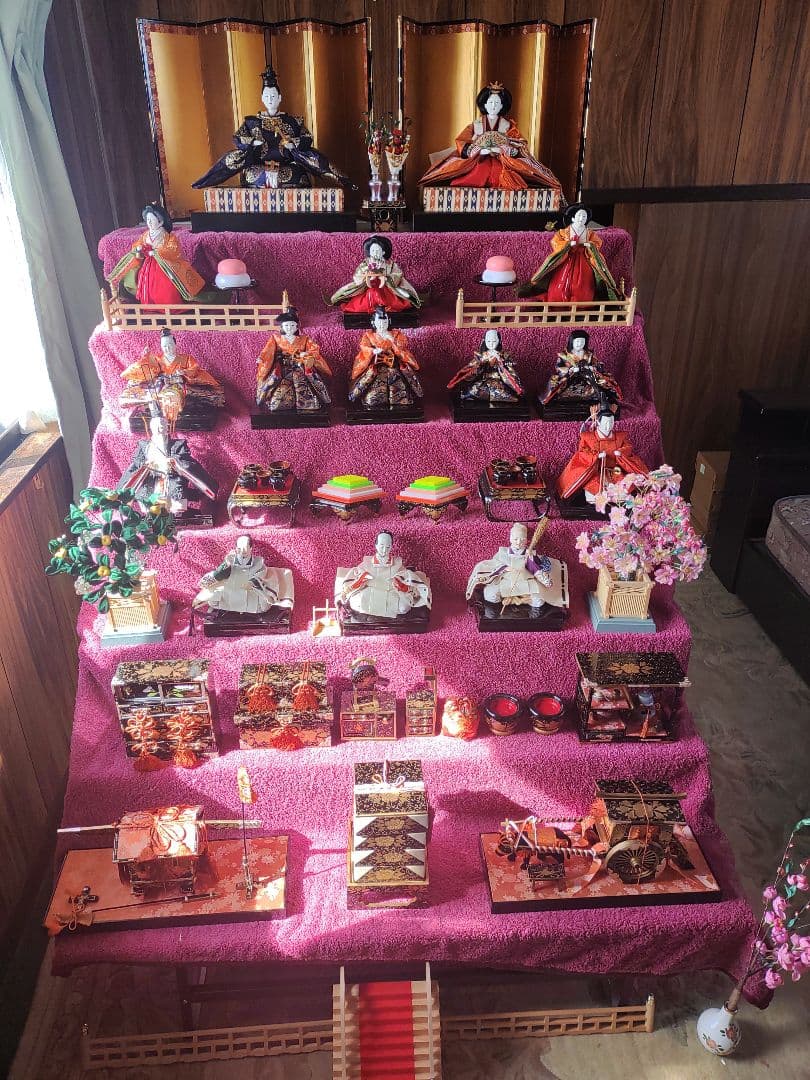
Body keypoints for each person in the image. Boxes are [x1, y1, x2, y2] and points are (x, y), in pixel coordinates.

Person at [192, 66, 352, 190]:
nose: (270, 100)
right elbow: (238, 138)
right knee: (247, 169)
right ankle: (205, 181)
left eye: (273, 96)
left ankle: (343, 181)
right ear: (262, 98)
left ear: (280, 97)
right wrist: (252, 142)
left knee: (301, 170)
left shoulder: (293, 121)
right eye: (267, 96)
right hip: (258, 167)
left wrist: (293, 144)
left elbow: (307, 138)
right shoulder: (252, 122)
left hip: (288, 167)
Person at [418, 81, 562, 192]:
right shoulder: (476, 125)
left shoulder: (508, 126)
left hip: (502, 161)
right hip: (479, 160)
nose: (493, 106)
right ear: (484, 104)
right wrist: (479, 150)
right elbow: (461, 141)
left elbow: (519, 144)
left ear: (502, 106)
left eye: (497, 103)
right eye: (490, 102)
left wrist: (503, 149)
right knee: (475, 175)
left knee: (504, 176)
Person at [119, 406, 217, 514]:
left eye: (162, 425)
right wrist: (147, 465)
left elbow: (186, 461)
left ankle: (175, 512)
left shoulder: (178, 445)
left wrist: (173, 462)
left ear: (167, 427)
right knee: (147, 502)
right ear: (152, 427)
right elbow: (136, 463)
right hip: (151, 479)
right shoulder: (144, 446)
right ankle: (152, 512)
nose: (160, 428)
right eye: (157, 426)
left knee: (177, 502)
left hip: (171, 478)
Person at [107, 204, 207, 304]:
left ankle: (169, 306)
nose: (149, 222)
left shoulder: (167, 236)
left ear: (160, 221)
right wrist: (139, 248)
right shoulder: (145, 235)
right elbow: (138, 244)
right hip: (147, 266)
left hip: (163, 266)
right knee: (145, 284)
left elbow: (173, 249)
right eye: (147, 220)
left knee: (166, 286)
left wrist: (157, 252)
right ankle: (150, 305)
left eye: (152, 219)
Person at [120, 329, 224, 424]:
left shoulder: (186, 358)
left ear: (175, 344)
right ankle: (159, 416)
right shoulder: (157, 359)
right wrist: (146, 356)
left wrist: (184, 372)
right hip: (161, 385)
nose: (167, 348)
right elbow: (148, 367)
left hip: (178, 385)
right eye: (164, 346)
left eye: (170, 345)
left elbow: (194, 368)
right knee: (153, 397)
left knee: (178, 398)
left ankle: (174, 418)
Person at [557, 398, 649, 504]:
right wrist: (596, 456)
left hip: (615, 469)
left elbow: (628, 447)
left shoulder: (620, 437)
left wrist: (621, 453)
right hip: (596, 470)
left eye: (611, 422)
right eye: (605, 423)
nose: (608, 426)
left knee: (623, 487)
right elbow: (583, 452)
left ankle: (617, 498)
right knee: (594, 488)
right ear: (599, 422)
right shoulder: (588, 437)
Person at [523, 204, 622, 302]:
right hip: (567, 258)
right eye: (579, 215)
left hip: (584, 259)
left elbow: (597, 243)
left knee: (585, 283)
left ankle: (583, 302)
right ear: (573, 217)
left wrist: (589, 245)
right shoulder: (563, 232)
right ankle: (559, 299)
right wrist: (568, 244)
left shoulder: (590, 233)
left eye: (584, 216)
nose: (581, 218)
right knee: (561, 281)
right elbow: (555, 241)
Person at [466, 522, 566, 610]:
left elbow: (536, 570)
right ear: (510, 538)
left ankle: (518, 600)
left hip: (525, 583)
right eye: (515, 539)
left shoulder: (529, 554)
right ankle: (512, 599)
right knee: (489, 595)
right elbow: (493, 564)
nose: (518, 542)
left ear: (526, 540)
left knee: (539, 601)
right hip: (506, 582)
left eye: (522, 539)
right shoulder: (503, 553)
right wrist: (504, 568)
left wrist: (545, 580)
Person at [336, 530, 431, 621]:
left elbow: (405, 576)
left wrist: (398, 581)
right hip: (370, 592)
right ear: (376, 545)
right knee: (355, 602)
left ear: (391, 546)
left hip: (390, 593)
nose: (384, 550)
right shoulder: (367, 562)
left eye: (388, 547)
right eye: (381, 546)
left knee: (404, 607)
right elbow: (356, 574)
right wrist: (363, 577)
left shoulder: (397, 563)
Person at [193, 535, 294, 616]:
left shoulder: (259, 562)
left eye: (245, 548)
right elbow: (218, 575)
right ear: (236, 548)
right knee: (213, 599)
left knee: (264, 605)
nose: (243, 551)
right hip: (230, 593)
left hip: (251, 594)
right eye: (240, 548)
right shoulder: (230, 560)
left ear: (251, 548)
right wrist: (226, 565)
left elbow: (262, 575)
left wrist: (252, 583)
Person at [256, 309, 332, 413]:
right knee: (278, 390)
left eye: (292, 325)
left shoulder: (304, 338)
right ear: (281, 327)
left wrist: (306, 354)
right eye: (286, 325)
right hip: (284, 368)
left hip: (299, 367)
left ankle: (308, 404)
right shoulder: (276, 338)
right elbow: (268, 350)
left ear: (297, 327)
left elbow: (314, 349)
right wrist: (262, 358)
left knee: (306, 384)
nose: (289, 328)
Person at [349, 307, 423, 412]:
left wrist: (393, 344)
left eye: (384, 322)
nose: (382, 325)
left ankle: (398, 400)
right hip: (377, 366)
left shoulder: (396, 334)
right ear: (373, 322)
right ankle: (376, 400)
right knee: (373, 393)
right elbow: (364, 346)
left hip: (394, 365)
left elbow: (402, 347)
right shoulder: (369, 335)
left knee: (399, 386)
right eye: (379, 322)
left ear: (388, 321)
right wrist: (373, 351)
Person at [329, 235, 421, 314]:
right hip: (368, 288)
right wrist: (367, 277)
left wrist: (387, 278)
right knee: (371, 294)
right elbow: (357, 275)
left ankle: (385, 308)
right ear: (369, 252)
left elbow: (398, 274)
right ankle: (371, 308)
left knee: (388, 298)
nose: (375, 253)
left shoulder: (390, 264)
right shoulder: (365, 264)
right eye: (373, 251)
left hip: (386, 288)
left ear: (383, 252)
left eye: (377, 251)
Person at [541, 330, 621, 408]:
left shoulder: (589, 354)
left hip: (588, 376)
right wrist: (571, 369)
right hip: (570, 376)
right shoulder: (564, 355)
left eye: (582, 342)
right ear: (572, 342)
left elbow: (598, 364)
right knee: (555, 384)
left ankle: (602, 396)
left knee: (605, 381)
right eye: (577, 342)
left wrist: (592, 367)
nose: (580, 344)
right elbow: (558, 367)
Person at [447, 329, 524, 404]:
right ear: (484, 341)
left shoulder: (504, 355)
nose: (491, 344)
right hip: (484, 380)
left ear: (499, 341)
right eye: (489, 341)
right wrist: (481, 363)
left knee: (503, 393)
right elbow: (472, 367)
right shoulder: (481, 355)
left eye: (494, 341)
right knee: (474, 391)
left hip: (498, 381)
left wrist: (501, 361)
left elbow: (510, 367)